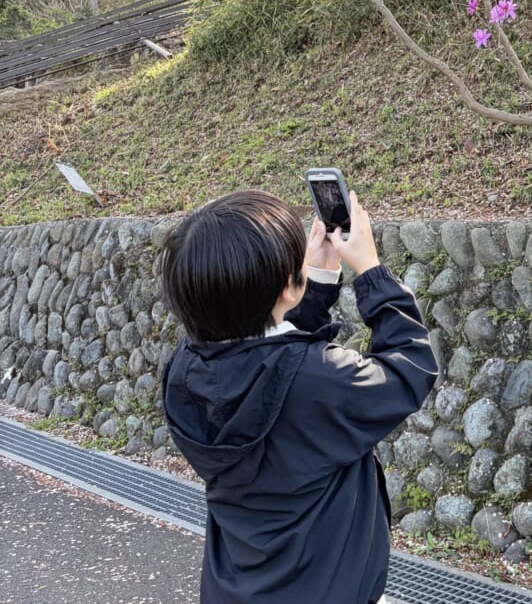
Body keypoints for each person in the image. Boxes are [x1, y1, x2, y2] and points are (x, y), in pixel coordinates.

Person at [157, 188, 438, 604]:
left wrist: (313, 285)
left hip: (234, 588)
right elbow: (409, 369)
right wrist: (371, 273)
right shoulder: (319, 378)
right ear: (289, 288)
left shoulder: (183, 374)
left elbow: (265, 357)